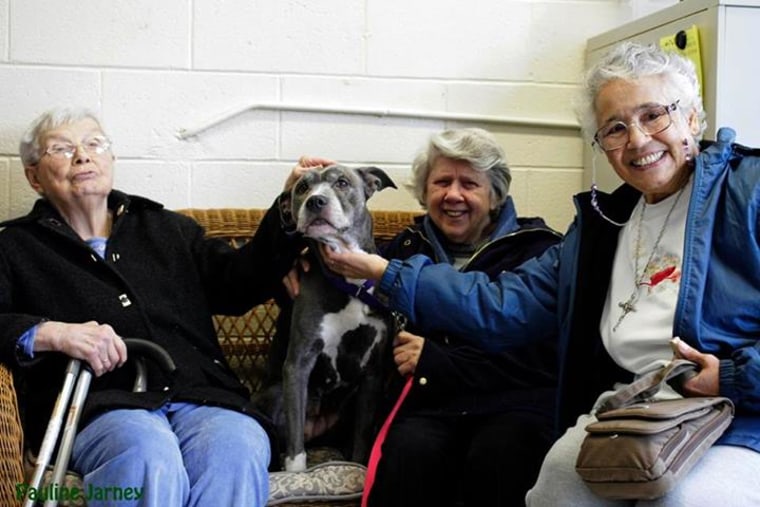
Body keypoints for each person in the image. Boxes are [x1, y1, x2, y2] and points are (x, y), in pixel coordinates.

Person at [322, 42, 760, 506]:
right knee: (554, 487)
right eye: (615, 128)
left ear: (692, 117)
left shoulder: (748, 191)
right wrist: (383, 271)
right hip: (632, 409)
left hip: (735, 414)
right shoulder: (603, 225)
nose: (636, 139)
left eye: (654, 115)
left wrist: (734, 377)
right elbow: (503, 303)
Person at [0, 107, 300, 506]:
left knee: (237, 446)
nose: (83, 155)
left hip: (204, 396)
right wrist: (54, 332)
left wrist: (287, 209)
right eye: (62, 148)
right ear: (34, 176)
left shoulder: (166, 228)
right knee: (146, 450)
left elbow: (238, 285)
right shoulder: (15, 246)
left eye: (94, 144)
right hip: (101, 405)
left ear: (111, 160)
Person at [367, 128, 561, 507]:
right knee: (410, 451)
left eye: (469, 183)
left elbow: (540, 362)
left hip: (515, 405)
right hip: (431, 406)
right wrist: (298, 263)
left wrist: (437, 361)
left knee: (502, 452)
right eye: (441, 182)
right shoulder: (402, 250)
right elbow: (345, 295)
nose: (453, 195)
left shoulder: (539, 250)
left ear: (495, 196)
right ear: (425, 193)